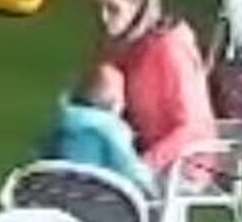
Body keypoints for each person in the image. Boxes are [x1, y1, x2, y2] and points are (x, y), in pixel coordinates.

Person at [93, 0, 217, 178]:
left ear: (137, 4)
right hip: (139, 150)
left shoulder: (170, 46)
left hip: (181, 168)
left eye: (112, 9)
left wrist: (143, 166)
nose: (103, 18)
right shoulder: (122, 39)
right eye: (97, 7)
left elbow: (192, 128)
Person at [41, 64, 158, 194]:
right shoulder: (111, 128)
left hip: (50, 196)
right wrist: (150, 187)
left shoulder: (53, 121)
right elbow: (130, 168)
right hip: (94, 198)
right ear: (115, 104)